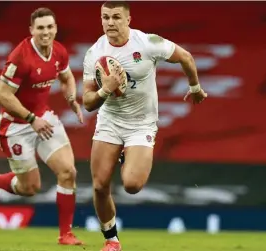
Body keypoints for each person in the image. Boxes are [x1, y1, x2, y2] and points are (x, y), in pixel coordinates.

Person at [82, 1, 208, 251]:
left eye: (116, 17)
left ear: (128, 19)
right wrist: (105, 90)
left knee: (132, 185)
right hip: (110, 121)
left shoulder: (148, 43)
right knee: (98, 185)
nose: (110, 23)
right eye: (105, 17)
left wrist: (195, 87)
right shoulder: (95, 52)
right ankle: (111, 240)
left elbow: (185, 57)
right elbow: (87, 102)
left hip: (141, 124)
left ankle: (127, 155)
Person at [0, 7, 84, 246]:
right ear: (32, 30)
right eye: (40, 28)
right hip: (16, 126)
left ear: (55, 28)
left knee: (68, 172)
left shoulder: (59, 51)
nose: (46, 32)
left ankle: (65, 234)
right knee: (30, 188)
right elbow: (3, 95)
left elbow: (67, 77)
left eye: (50, 27)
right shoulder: (20, 57)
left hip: (43, 118)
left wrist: (71, 100)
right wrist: (31, 119)